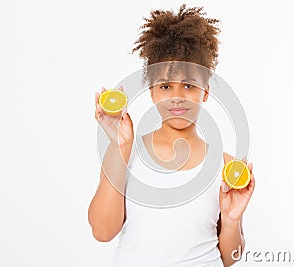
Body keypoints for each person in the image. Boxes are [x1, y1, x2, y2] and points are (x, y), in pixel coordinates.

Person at [88, 4, 256, 267]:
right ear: (153, 92)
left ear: (206, 92)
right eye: (166, 86)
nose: (177, 97)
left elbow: (229, 258)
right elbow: (102, 231)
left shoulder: (225, 166)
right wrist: (120, 146)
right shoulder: (125, 154)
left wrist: (232, 219)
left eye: (189, 85)